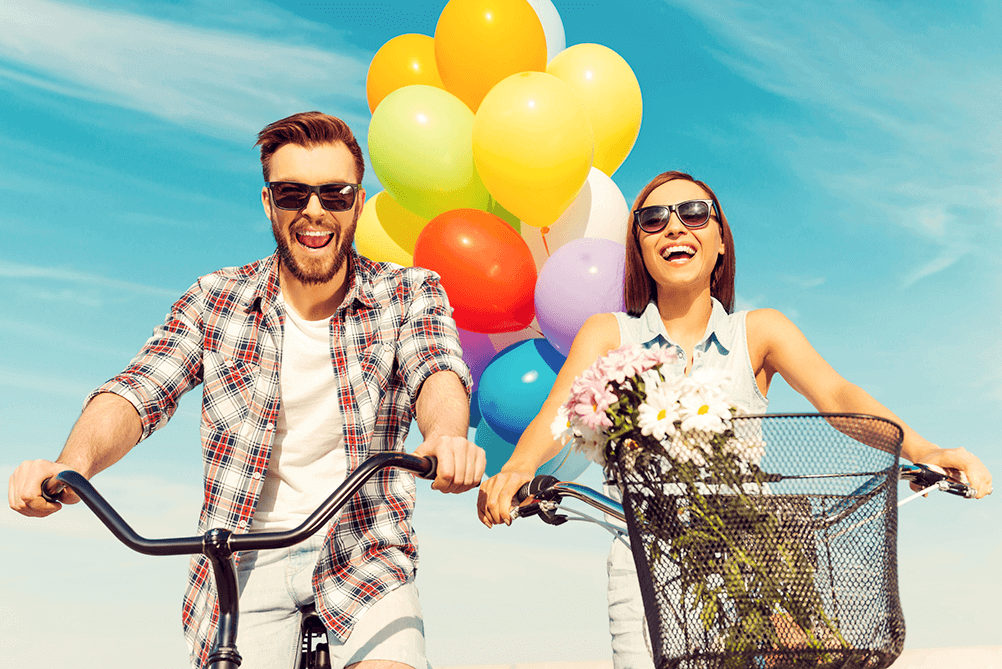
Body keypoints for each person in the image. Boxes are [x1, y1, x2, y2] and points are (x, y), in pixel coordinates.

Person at [9, 111, 486, 669]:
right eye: (292, 194)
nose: (314, 211)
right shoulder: (217, 297)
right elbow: (139, 390)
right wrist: (71, 467)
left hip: (365, 550)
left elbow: (436, 368)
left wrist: (447, 438)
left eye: (334, 194)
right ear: (268, 203)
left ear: (358, 203)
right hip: (238, 563)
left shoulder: (408, 292)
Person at [477, 170, 993, 669]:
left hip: (757, 565)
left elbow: (836, 394)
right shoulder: (609, 334)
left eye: (694, 214)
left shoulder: (759, 331)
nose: (674, 227)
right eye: (653, 219)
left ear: (720, 241)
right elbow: (558, 416)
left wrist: (923, 451)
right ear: (638, 247)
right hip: (645, 573)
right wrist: (519, 468)